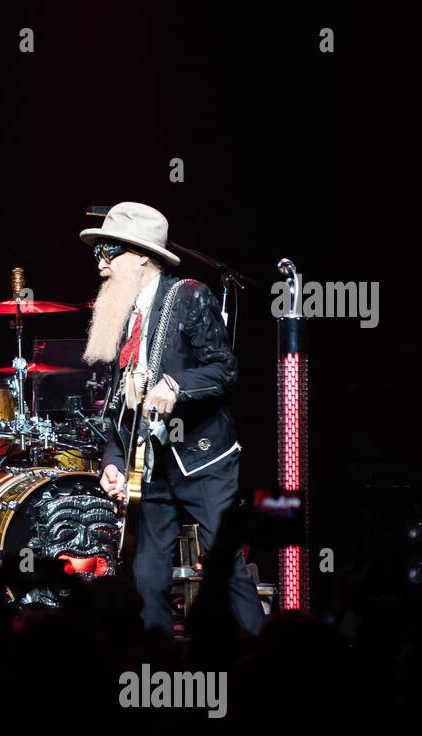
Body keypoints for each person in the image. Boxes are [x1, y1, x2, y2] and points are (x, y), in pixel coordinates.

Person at [81, 203, 265, 634]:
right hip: (149, 462)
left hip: (202, 458)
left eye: (110, 252)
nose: (102, 265)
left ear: (143, 255)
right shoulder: (123, 312)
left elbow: (225, 369)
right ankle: (155, 665)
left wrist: (177, 385)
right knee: (147, 575)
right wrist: (112, 459)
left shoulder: (189, 296)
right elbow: (118, 404)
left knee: (226, 566)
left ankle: (268, 661)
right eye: (98, 255)